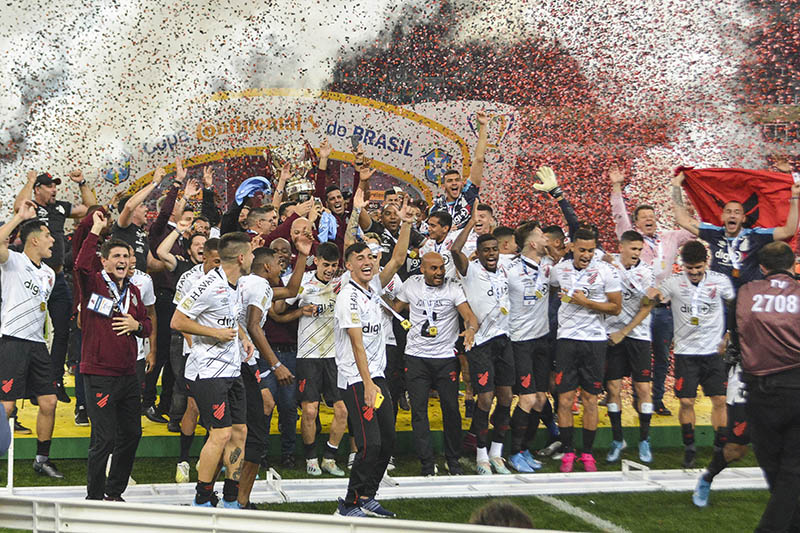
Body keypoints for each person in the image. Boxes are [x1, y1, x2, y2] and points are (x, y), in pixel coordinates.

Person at [171, 232, 255, 508]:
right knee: (220, 433)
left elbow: (230, 318)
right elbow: (177, 320)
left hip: (232, 369)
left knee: (240, 431)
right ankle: (203, 496)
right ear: (241, 257)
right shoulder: (206, 284)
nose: (254, 258)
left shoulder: (236, 284)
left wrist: (243, 336)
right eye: (252, 253)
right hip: (208, 372)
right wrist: (214, 333)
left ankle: (231, 497)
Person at [76, 211, 153, 500]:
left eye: (127, 256)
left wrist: (137, 326)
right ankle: (94, 497)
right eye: (117, 256)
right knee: (104, 438)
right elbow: (80, 266)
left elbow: (147, 325)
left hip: (128, 374)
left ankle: (114, 491)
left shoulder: (133, 291)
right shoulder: (93, 283)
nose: (123, 260)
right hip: (99, 374)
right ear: (105, 261)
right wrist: (95, 229)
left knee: (132, 434)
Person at [610, 167, 693, 416]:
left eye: (652, 215)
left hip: (665, 310)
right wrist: (616, 187)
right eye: (643, 216)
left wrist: (681, 190)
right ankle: (633, 396)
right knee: (635, 357)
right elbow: (618, 215)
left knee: (662, 359)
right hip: (638, 310)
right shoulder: (631, 238)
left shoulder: (670, 238)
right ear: (635, 222)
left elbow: (693, 228)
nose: (649, 218)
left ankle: (656, 399)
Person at [646, 240, 734, 468]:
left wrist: (729, 335)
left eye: (698, 267)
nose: (694, 272)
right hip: (686, 353)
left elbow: (735, 305)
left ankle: (719, 447)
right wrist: (651, 293)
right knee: (686, 401)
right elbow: (658, 294)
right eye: (689, 268)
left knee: (720, 400)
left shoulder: (720, 281)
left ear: (706, 263)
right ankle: (690, 447)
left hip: (713, 352)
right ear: (682, 265)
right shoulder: (674, 282)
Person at [236, 240, 309, 509]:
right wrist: (277, 365)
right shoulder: (258, 285)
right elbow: (255, 326)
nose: (282, 266)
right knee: (251, 426)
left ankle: (235, 495)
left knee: (259, 410)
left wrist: (303, 254)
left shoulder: (245, 282)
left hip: (243, 361)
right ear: (267, 266)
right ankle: (239, 498)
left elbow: (292, 289)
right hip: (246, 361)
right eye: (279, 263)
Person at [14, 170, 96, 403]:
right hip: (31, 278)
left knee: (63, 330)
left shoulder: (60, 207)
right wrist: (29, 181)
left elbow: (91, 210)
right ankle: (29, 385)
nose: (54, 190)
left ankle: (54, 381)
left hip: (57, 279)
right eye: (49, 186)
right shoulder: (30, 206)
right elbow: (18, 205)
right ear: (38, 189)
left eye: (55, 186)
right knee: (30, 330)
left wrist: (82, 182)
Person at [393, 252, 478, 476]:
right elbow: (395, 309)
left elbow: (470, 316)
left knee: (451, 409)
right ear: (423, 269)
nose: (439, 272)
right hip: (416, 357)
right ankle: (427, 463)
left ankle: (453, 459)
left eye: (441, 268)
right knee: (419, 411)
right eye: (434, 269)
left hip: (445, 358)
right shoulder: (411, 285)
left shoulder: (453, 286)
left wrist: (470, 330)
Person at [736, 242, 800, 531]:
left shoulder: (746, 293)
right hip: (796, 387)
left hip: (758, 392)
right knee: (792, 472)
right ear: (793, 264)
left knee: (775, 470)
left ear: (762, 267)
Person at [333, 242, 398, 518]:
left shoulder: (372, 291)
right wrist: (368, 383)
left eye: (371, 257)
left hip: (376, 375)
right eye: (359, 258)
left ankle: (367, 495)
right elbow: (357, 344)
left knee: (388, 441)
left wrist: (406, 223)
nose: (367, 261)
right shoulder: (348, 297)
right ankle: (349, 503)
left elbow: (397, 259)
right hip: (357, 379)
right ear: (349, 265)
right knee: (369, 443)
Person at [550, 228, 622, 473]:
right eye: (582, 250)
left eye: (591, 250)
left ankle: (588, 454)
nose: (586, 255)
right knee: (565, 399)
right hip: (567, 340)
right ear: (571, 247)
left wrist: (586, 303)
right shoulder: (560, 270)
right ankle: (569, 451)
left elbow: (615, 308)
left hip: (594, 341)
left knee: (591, 399)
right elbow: (549, 287)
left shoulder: (606, 271)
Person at [0, 202, 62, 479]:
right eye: (48, 236)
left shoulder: (49, 273)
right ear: (34, 239)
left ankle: (42, 459)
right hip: (12, 341)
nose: (53, 240)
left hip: (38, 345)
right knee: (7, 405)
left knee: (49, 402)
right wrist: (19, 217)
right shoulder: (12, 261)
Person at [450, 205, 512, 475]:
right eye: (486, 250)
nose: (490, 254)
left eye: (494, 250)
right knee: (485, 399)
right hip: (481, 342)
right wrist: (470, 224)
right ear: (480, 252)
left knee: (507, 397)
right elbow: (455, 251)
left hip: (503, 339)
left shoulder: (506, 270)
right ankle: (480, 454)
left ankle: (498, 453)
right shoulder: (471, 270)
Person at [284, 242, 349, 477]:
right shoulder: (302, 281)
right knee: (309, 411)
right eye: (326, 264)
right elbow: (278, 308)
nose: (330, 270)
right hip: (308, 355)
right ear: (316, 261)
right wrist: (300, 311)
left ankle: (329, 458)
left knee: (342, 410)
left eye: (334, 265)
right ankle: (311, 457)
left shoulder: (343, 283)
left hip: (336, 355)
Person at [671, 171, 799, 289]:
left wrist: (794, 197)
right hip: (720, 297)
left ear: (743, 218)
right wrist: (676, 186)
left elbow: (788, 231)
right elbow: (683, 220)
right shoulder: (714, 233)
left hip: (748, 295)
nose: (732, 215)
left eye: (737, 212)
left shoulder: (756, 235)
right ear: (722, 216)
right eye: (728, 212)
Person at [504, 221, 553, 473]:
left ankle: (525, 449)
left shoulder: (548, 266)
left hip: (542, 339)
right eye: (542, 235)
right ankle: (514, 452)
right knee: (527, 398)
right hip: (519, 340)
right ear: (532, 243)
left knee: (540, 400)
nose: (547, 238)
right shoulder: (509, 269)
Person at [604, 230, 656, 463]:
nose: (636, 253)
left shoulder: (646, 272)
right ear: (622, 247)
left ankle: (644, 440)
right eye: (633, 249)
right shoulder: (607, 264)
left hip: (637, 336)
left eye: (639, 249)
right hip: (611, 335)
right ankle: (618, 439)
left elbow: (647, 306)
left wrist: (624, 332)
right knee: (613, 388)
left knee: (643, 389)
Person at [172, 238, 220, 484]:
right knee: (193, 406)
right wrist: (195, 348)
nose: (219, 266)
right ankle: (183, 460)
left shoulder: (229, 280)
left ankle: (205, 456)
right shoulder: (189, 280)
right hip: (195, 354)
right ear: (204, 258)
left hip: (222, 355)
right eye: (215, 262)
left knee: (216, 409)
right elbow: (180, 319)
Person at [429, 111, 489, 230]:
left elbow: (479, 159)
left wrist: (483, 127)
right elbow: (431, 234)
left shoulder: (469, 194)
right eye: (450, 181)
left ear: (462, 183)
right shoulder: (436, 208)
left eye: (457, 180)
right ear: (443, 186)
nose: (454, 183)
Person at [113, 167, 166, 271]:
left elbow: (151, 262)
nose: (146, 209)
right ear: (132, 212)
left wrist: (171, 264)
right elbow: (129, 206)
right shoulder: (123, 226)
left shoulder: (142, 233)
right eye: (142, 206)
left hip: (139, 283)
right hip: (122, 280)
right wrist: (154, 183)